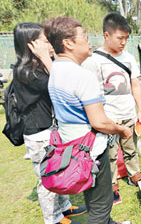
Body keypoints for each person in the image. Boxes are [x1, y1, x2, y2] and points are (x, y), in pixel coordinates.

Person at [44, 16, 132, 224]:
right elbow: (99, 122)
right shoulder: (82, 75)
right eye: (83, 36)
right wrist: (121, 130)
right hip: (90, 150)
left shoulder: (56, 69)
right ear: (68, 43)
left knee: (93, 199)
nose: (88, 40)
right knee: (100, 207)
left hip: (71, 149)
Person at [12, 22, 87, 224]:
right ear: (31, 44)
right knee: (48, 179)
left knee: (59, 168)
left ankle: (64, 208)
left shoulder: (39, 66)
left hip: (50, 130)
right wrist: (46, 58)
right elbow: (61, 83)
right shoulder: (25, 72)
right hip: (39, 133)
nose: (50, 45)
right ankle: (53, 219)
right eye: (45, 41)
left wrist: (47, 58)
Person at [82, 12, 141, 205]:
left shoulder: (129, 58)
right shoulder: (94, 61)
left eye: (126, 38)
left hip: (129, 114)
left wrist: (140, 110)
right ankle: (112, 184)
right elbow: (93, 93)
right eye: (120, 38)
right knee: (109, 154)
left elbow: (135, 85)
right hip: (109, 118)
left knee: (131, 147)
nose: (123, 42)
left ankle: (135, 175)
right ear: (106, 35)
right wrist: (105, 117)